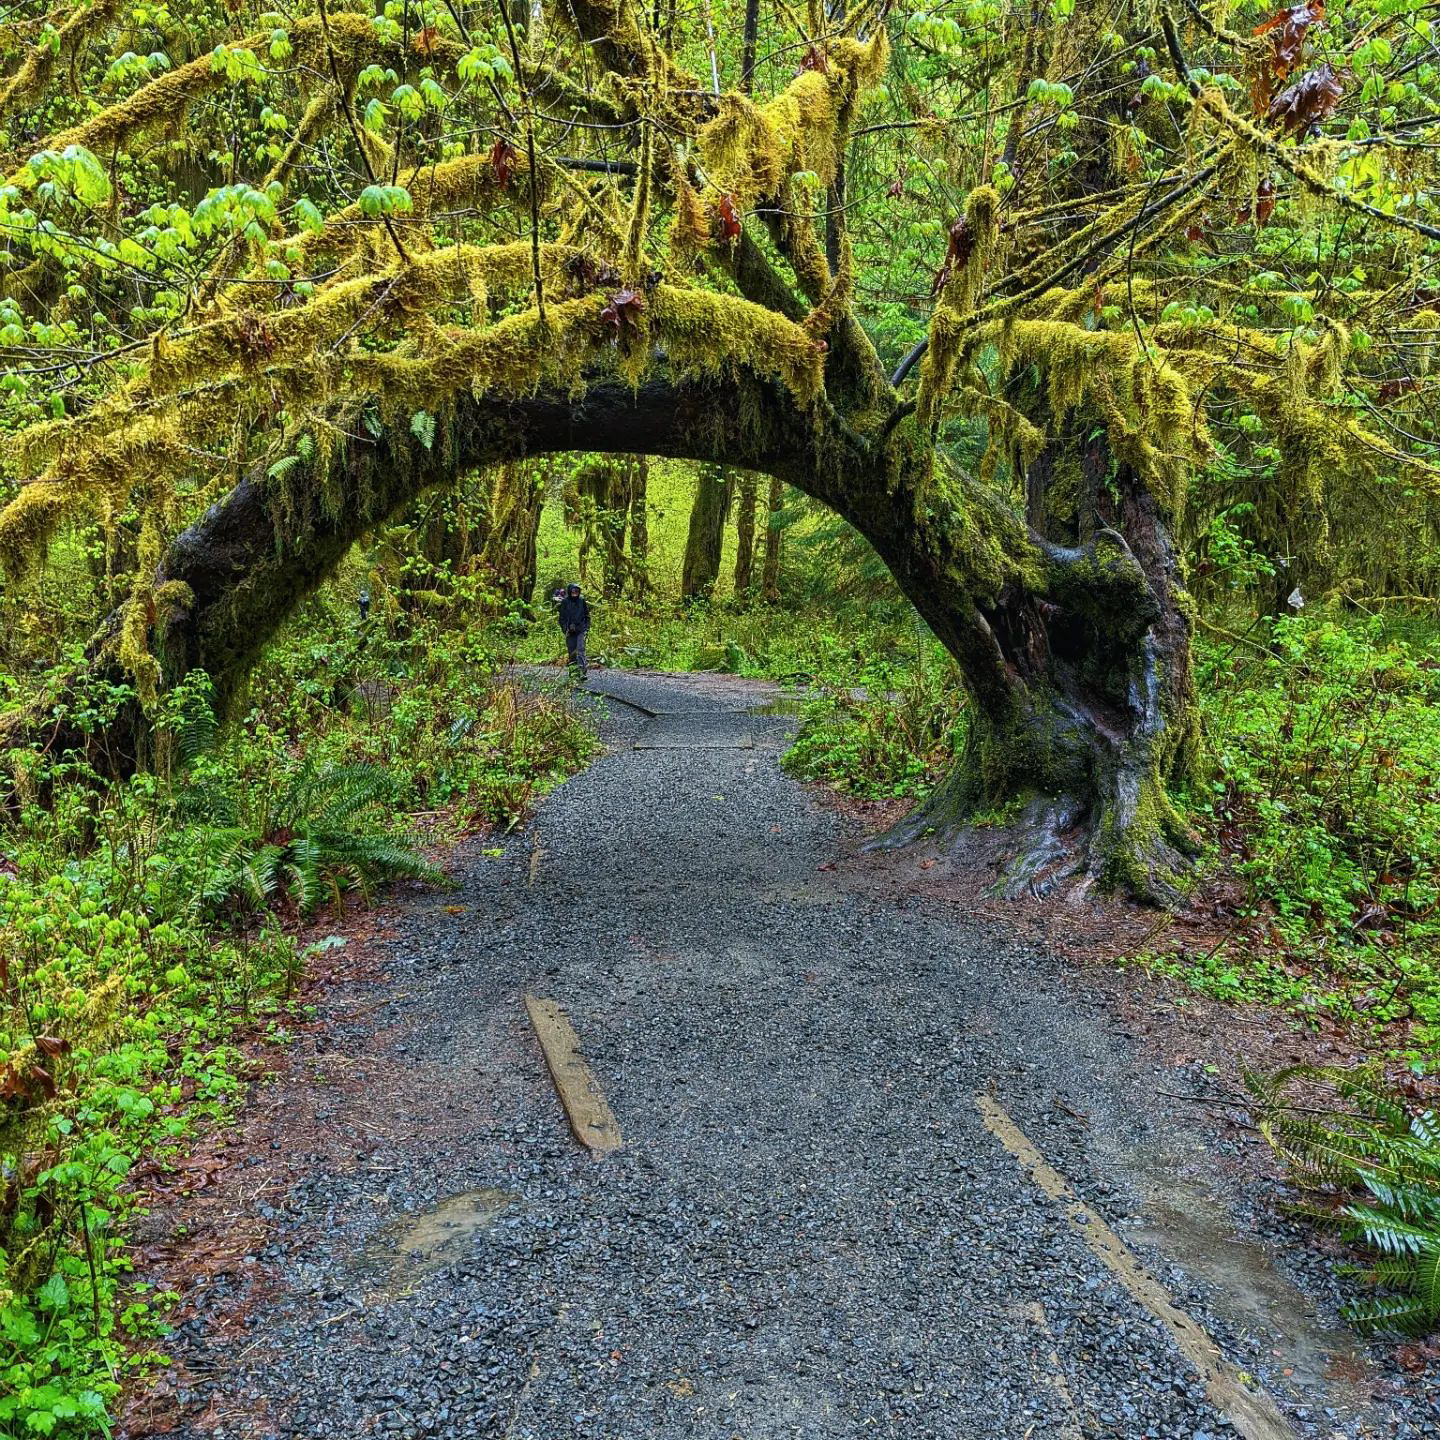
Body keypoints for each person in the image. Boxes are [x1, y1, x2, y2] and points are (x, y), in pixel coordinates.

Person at [557, 581, 590, 678]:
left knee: (580, 649)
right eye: (573, 591)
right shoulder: (565, 602)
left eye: (577, 591)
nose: (575, 593)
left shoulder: (582, 601)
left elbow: (587, 615)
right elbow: (561, 618)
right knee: (571, 651)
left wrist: (587, 627)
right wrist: (565, 629)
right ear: (570, 591)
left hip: (581, 629)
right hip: (569, 630)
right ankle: (573, 671)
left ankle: (582, 671)